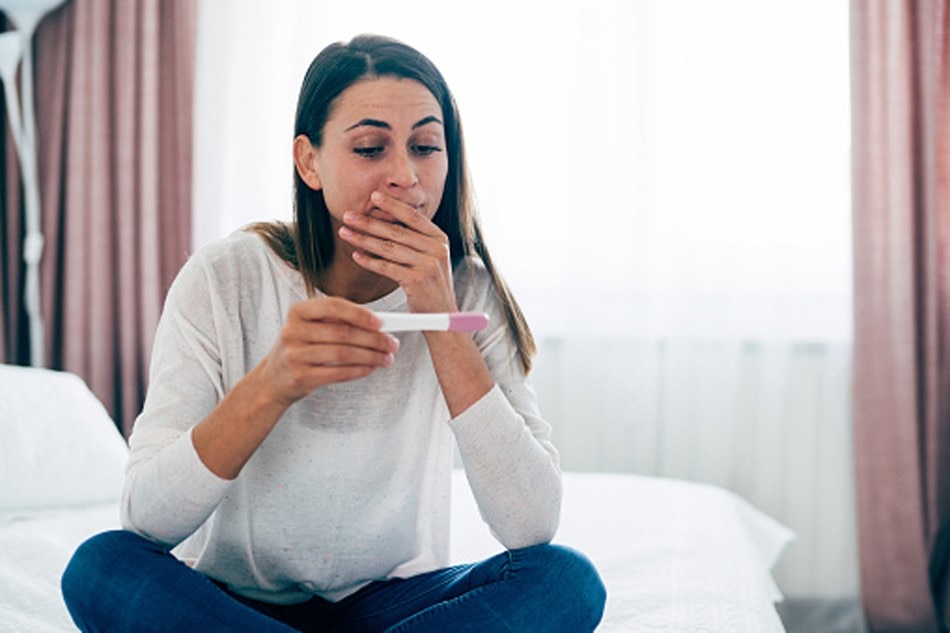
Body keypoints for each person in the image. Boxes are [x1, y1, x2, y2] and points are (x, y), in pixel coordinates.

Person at [61, 34, 606, 632]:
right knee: (101, 566)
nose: (405, 176)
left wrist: (440, 316)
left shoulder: (470, 292)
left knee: (565, 581)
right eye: (371, 148)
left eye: (426, 146)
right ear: (309, 162)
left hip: (394, 603)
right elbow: (148, 519)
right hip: (233, 602)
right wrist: (271, 384)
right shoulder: (226, 277)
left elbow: (531, 525)